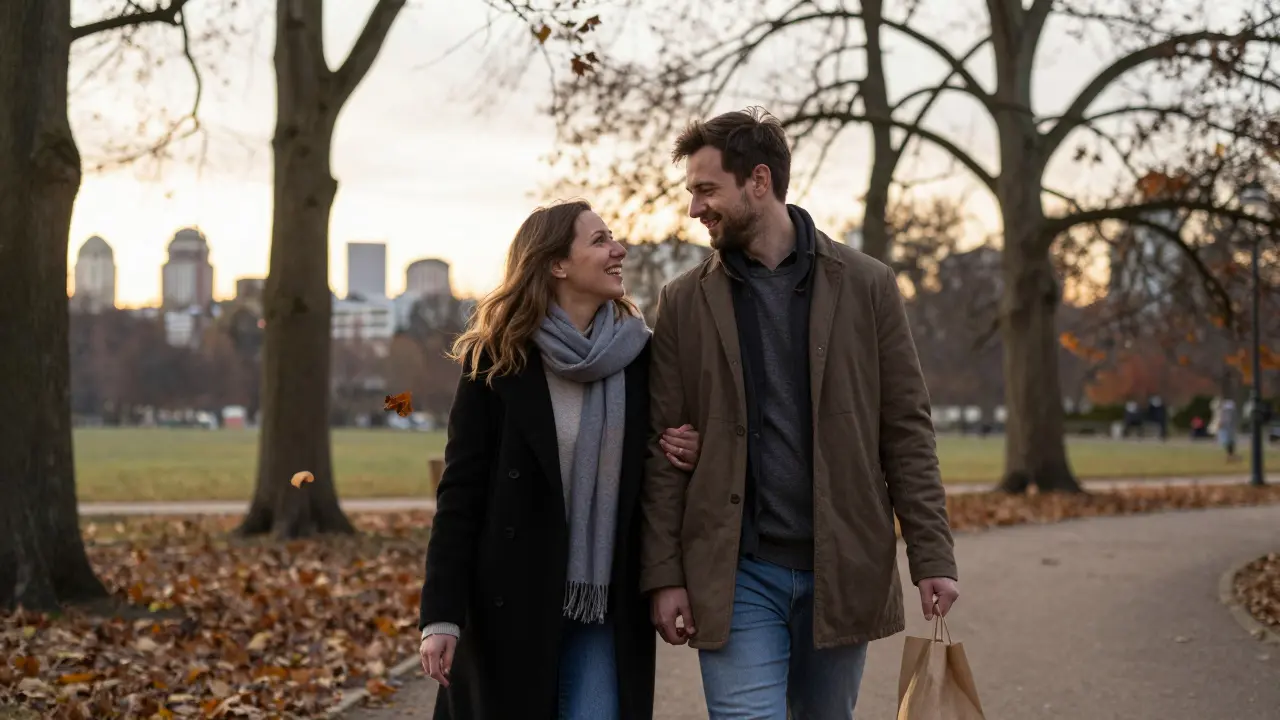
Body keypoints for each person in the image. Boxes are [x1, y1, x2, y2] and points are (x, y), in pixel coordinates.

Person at [641, 108, 959, 719]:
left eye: (706, 190)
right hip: (735, 573)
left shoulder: (867, 285)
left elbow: (907, 431)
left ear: (759, 181)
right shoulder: (682, 302)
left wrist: (933, 557)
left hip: (840, 565)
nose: (694, 209)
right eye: (691, 193)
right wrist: (664, 574)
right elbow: (665, 449)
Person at [417, 200, 702, 720]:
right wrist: (440, 617)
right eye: (599, 241)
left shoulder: (643, 357)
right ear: (556, 264)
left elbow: (661, 470)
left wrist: (691, 449)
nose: (619, 250)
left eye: (613, 238)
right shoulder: (496, 360)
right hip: (512, 601)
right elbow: (461, 496)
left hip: (605, 602)